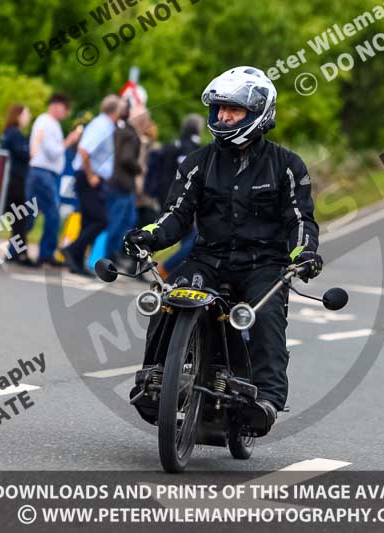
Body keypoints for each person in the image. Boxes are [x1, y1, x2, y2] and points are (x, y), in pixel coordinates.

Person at [123, 66, 323, 436]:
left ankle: (267, 398)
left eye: (234, 110)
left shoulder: (288, 166)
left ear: (259, 112)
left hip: (263, 263)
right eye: (219, 109)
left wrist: (304, 254)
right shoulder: (197, 162)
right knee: (170, 297)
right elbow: (175, 215)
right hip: (208, 259)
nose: (224, 116)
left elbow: (301, 221)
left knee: (266, 315)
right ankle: (154, 377)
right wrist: (146, 236)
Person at [61, 94, 120, 277]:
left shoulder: (105, 125)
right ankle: (73, 249)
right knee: (101, 219)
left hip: (91, 177)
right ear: (116, 110)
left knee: (88, 220)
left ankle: (76, 260)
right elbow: (84, 149)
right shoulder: (101, 125)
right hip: (89, 177)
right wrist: (91, 174)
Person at [27, 93, 82, 267]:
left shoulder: (49, 123)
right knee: (52, 214)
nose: (66, 114)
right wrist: (69, 140)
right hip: (43, 172)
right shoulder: (47, 123)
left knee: (31, 213)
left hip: (42, 172)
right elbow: (53, 151)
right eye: (65, 109)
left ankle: (20, 251)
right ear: (57, 106)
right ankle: (45, 253)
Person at [156, 113, 204, 276]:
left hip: (166, 192)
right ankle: (168, 267)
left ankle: (177, 269)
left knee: (189, 236)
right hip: (181, 197)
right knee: (194, 238)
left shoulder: (175, 144)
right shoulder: (192, 149)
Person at [104, 97, 143, 263]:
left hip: (119, 183)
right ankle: (109, 255)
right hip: (122, 184)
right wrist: (139, 168)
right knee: (120, 222)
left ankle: (112, 254)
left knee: (125, 220)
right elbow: (126, 158)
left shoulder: (120, 130)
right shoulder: (129, 134)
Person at [0, 105, 35, 266]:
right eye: (26, 114)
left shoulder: (12, 133)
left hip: (14, 180)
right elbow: (24, 154)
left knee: (16, 218)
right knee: (18, 218)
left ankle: (18, 253)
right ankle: (19, 254)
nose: (28, 117)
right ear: (18, 116)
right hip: (15, 181)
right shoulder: (14, 134)